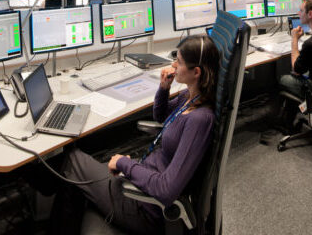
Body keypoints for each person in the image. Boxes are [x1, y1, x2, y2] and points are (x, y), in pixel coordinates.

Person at [48, 35, 218, 234]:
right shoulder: (189, 97)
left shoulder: (200, 120)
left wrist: (125, 165)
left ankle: (39, 184)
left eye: (179, 62)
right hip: (144, 175)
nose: (173, 64)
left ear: (196, 72)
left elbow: (166, 190)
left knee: (72, 160)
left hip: (145, 207)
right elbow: (162, 116)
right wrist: (164, 88)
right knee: (72, 173)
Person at [279, 0, 312, 99]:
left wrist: (294, 39)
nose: (298, 13)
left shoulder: (311, 43)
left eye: (301, 11)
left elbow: (296, 69)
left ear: (310, 14)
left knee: (282, 78)